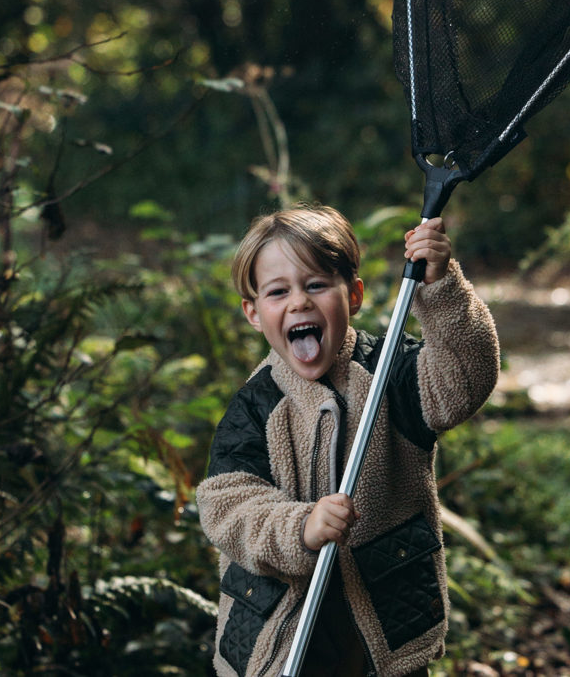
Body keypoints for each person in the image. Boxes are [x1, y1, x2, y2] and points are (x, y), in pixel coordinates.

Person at [197, 204, 499, 677]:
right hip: (285, 637)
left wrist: (440, 288)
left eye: (316, 284)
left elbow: (465, 379)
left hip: (383, 625)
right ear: (254, 313)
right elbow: (227, 507)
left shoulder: (389, 373)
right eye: (279, 292)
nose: (299, 302)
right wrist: (300, 527)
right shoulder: (255, 406)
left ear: (353, 295)